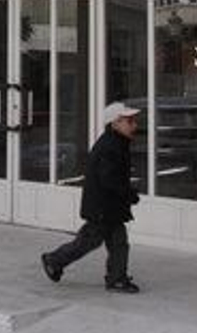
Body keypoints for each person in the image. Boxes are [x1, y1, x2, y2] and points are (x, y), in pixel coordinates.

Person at [41, 101, 142, 293]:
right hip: (103, 208)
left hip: (109, 208)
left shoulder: (117, 143)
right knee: (89, 241)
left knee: (118, 242)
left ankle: (116, 278)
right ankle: (54, 260)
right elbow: (109, 179)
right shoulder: (110, 146)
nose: (134, 125)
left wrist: (126, 195)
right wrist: (129, 194)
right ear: (116, 123)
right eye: (129, 121)